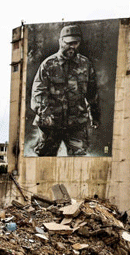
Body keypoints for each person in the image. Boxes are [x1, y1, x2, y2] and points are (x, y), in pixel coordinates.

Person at [30, 24, 100, 156]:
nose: (72, 47)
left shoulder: (85, 65)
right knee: (45, 157)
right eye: (69, 43)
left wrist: (94, 114)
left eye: (76, 43)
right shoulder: (48, 65)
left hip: (76, 123)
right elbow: (38, 92)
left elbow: (92, 92)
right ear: (60, 41)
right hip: (51, 124)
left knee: (78, 158)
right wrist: (45, 114)